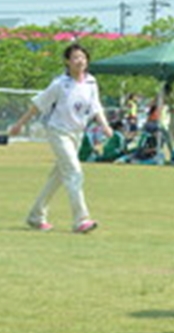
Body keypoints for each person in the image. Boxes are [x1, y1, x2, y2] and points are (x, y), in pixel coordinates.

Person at [8, 43, 113, 233]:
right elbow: (38, 105)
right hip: (58, 132)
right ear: (67, 62)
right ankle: (81, 219)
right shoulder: (60, 84)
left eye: (83, 57)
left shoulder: (91, 82)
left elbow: (96, 106)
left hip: (77, 134)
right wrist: (19, 124)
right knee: (74, 172)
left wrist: (104, 125)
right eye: (75, 58)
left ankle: (35, 216)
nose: (80, 61)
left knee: (58, 177)